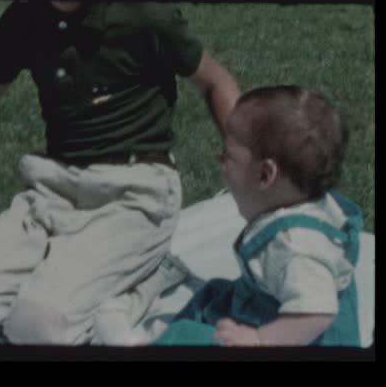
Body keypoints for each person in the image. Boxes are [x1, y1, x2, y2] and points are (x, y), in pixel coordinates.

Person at [0, 0, 241, 345]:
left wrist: (244, 154)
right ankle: (70, 271)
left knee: (40, 327)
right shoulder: (24, 16)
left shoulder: (145, 13)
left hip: (134, 188)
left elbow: (215, 80)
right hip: (53, 188)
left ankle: (147, 277)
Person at [154, 86, 363, 347]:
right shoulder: (308, 201)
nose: (219, 160)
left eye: (226, 154)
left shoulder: (294, 246)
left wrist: (260, 339)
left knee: (188, 336)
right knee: (213, 296)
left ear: (264, 175)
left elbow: (317, 313)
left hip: (294, 336)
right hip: (272, 306)